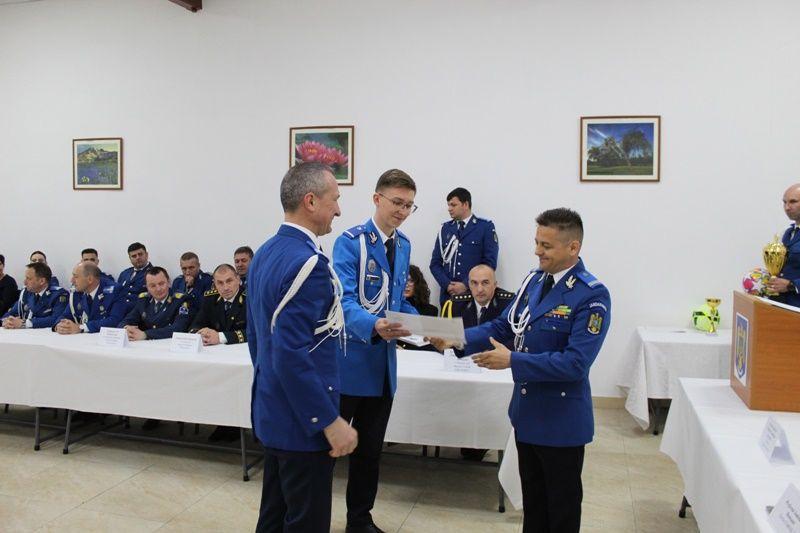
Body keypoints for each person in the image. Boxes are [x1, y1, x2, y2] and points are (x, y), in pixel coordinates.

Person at [432, 208, 611, 533]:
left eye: (546, 245)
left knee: (561, 512)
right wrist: (458, 337)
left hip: (561, 423)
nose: (537, 251)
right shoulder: (535, 282)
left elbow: (575, 363)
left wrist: (513, 361)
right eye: (537, 242)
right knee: (534, 508)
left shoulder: (591, 295)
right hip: (527, 416)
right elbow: (503, 327)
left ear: (573, 247)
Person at [249, 162, 358, 532]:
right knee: (306, 522)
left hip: (275, 411)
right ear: (311, 201)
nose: (338, 210)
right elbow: (290, 353)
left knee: (273, 518)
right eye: (334, 200)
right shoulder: (308, 264)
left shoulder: (266, 252)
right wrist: (327, 420)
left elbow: (258, 340)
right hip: (302, 424)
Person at [332, 168, 419, 533]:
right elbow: (343, 301)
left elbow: (396, 303)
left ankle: (359, 520)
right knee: (328, 451)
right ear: (377, 199)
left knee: (369, 452)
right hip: (350, 363)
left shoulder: (404, 245)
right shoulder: (350, 242)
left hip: (383, 369)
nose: (402, 211)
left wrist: (428, 328)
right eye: (397, 202)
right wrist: (373, 325)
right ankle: (311, 517)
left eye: (409, 205)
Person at [429, 187, 499, 304]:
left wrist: (466, 284)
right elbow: (435, 263)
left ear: (465, 204)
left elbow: (489, 263)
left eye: (453, 205)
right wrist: (447, 285)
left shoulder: (484, 227)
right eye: (448, 205)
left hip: (474, 295)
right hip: (448, 296)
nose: (449, 209)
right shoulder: (445, 229)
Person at [119, 266, 192, 341]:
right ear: (147, 287)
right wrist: (126, 328)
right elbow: (126, 320)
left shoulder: (180, 300)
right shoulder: (144, 300)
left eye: (161, 284)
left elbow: (179, 328)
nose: (158, 289)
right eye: (153, 286)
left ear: (169, 282)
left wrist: (146, 335)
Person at [54, 262, 128, 334]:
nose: (72, 280)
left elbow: (115, 320)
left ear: (90, 279)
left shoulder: (115, 291)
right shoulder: (77, 292)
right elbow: (65, 315)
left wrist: (82, 328)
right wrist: (59, 325)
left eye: (76, 277)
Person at [189, 264, 247, 346]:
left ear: (238, 279)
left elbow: (256, 331)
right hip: (215, 351)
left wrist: (220, 337)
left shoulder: (250, 299)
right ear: (214, 284)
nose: (225, 288)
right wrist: (201, 334)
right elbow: (196, 325)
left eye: (229, 281)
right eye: (220, 283)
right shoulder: (210, 299)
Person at [2, 262, 68, 329]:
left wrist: (25, 323)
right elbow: (13, 312)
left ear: (42, 281)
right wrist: (4, 321)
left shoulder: (59, 295)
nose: (24, 282)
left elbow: (56, 319)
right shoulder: (26, 293)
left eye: (28, 278)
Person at [766, 183, 800, 307]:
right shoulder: (786, 233)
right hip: (781, 305)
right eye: (784, 202)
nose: (787, 207)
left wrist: (791, 285)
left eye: (793, 202)